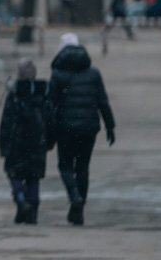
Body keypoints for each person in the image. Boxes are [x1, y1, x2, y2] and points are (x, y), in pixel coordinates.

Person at [48, 33, 115, 226]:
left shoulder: (58, 75)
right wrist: (110, 125)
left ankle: (74, 198)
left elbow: (50, 106)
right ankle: (80, 209)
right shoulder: (93, 73)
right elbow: (103, 101)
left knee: (65, 165)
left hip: (65, 129)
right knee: (83, 168)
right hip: (89, 128)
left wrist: (48, 133)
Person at [0, 59, 51, 225]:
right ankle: (32, 211)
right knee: (33, 177)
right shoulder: (43, 92)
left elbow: (6, 121)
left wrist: (3, 145)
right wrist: (49, 140)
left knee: (14, 173)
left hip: (17, 142)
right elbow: (49, 118)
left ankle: (21, 200)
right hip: (37, 142)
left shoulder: (14, 94)